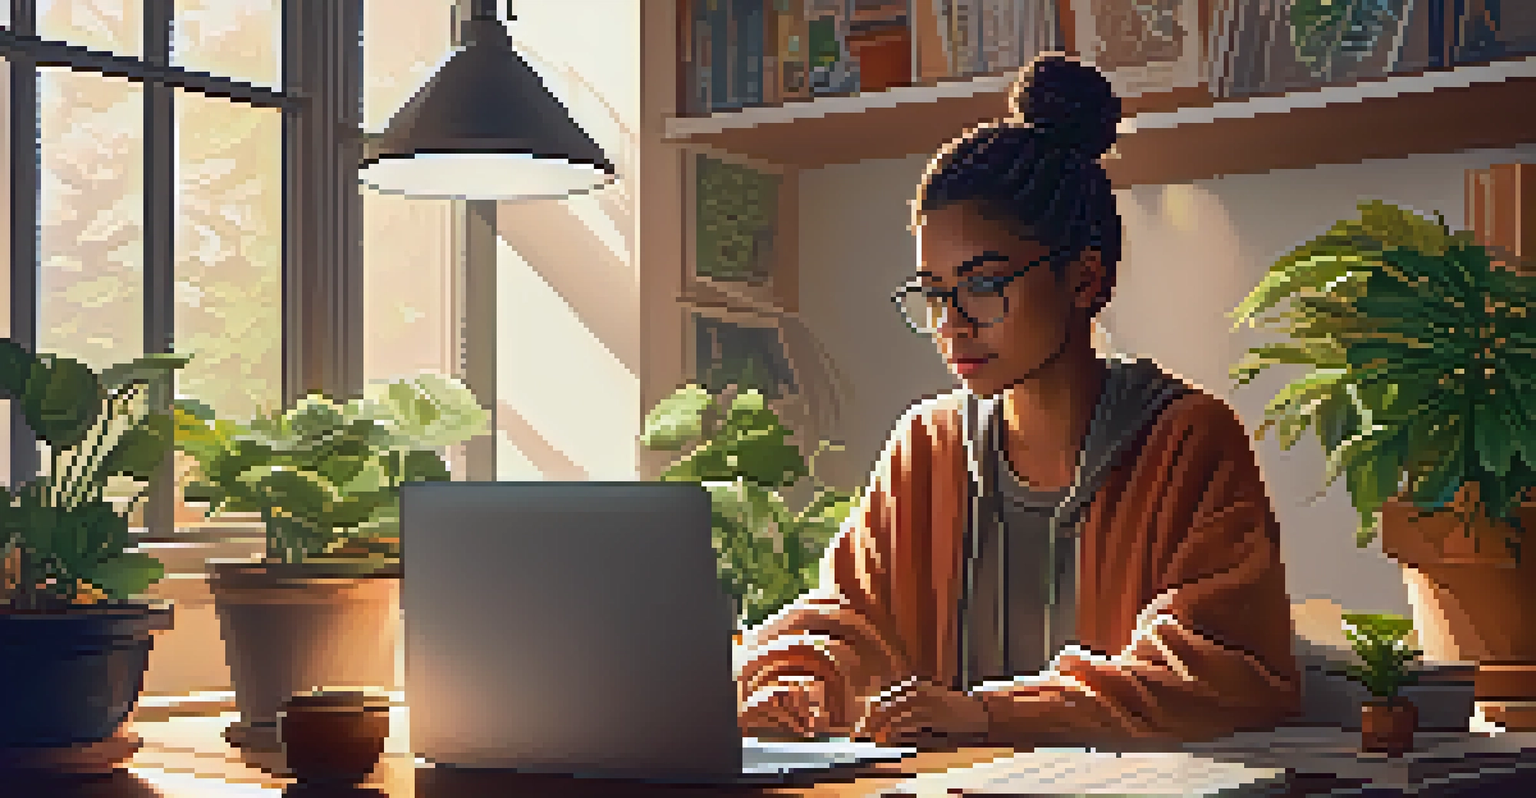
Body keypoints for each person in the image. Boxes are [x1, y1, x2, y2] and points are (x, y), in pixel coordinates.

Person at [735, 53, 1300, 751]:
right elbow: (849, 617)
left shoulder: (1186, 440)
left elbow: (1222, 668)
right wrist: (796, 685)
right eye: (934, 293)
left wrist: (990, 714)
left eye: (983, 285)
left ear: (1085, 279)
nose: (951, 324)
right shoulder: (928, 446)